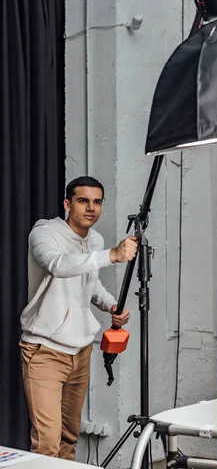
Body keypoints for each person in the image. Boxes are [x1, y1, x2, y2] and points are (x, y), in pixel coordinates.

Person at [19, 176, 138, 461]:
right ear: (67, 203)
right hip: (44, 351)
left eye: (97, 202)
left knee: (69, 439)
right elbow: (57, 265)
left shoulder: (94, 240)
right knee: (47, 444)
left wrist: (111, 306)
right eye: (83, 200)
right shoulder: (44, 233)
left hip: (81, 351)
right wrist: (110, 255)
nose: (91, 208)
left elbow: (90, 282)